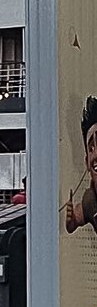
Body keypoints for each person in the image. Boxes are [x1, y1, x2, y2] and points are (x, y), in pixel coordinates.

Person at [65, 98, 97, 235]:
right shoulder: (90, 201)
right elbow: (73, 224)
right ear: (87, 162)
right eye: (91, 148)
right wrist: (70, 220)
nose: (96, 154)